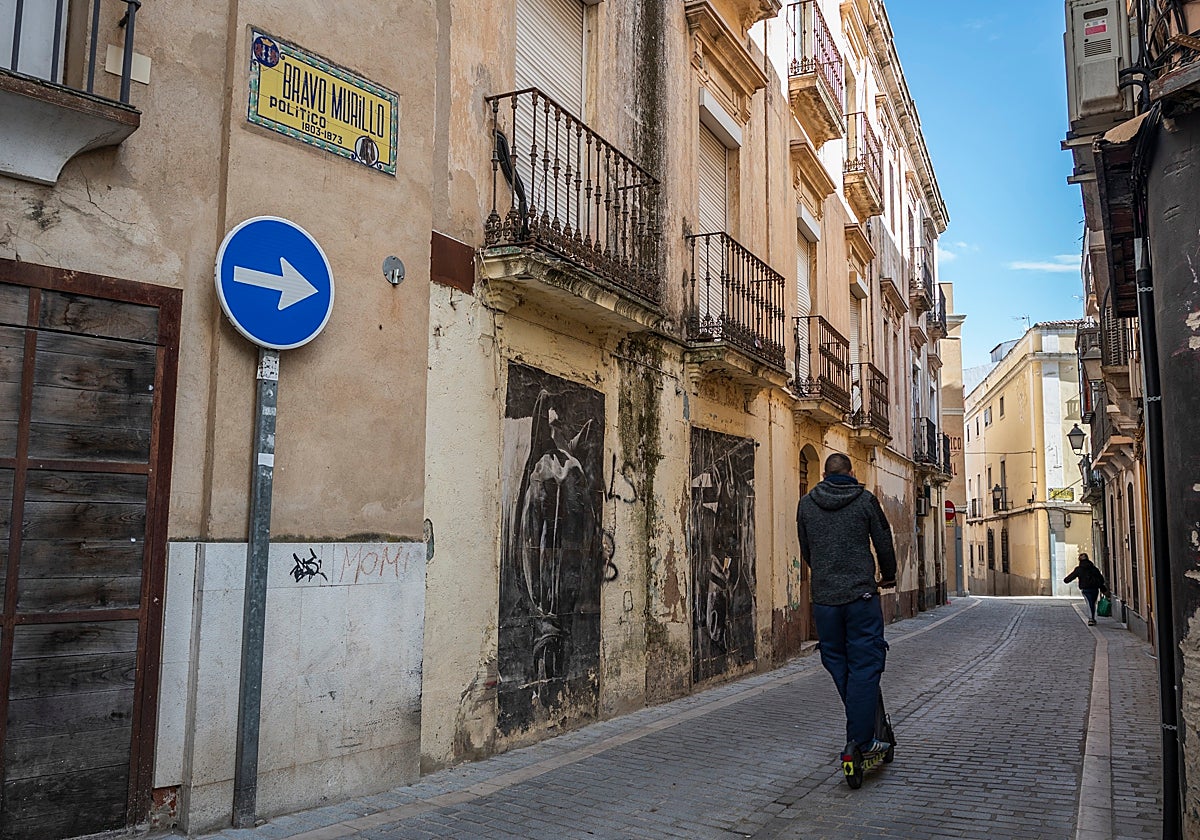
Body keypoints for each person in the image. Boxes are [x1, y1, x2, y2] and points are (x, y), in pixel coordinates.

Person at [796, 452, 897, 756]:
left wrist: (825, 575)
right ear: (852, 474)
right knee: (865, 665)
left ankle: (861, 726)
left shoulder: (806, 504)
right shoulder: (865, 500)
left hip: (825, 601)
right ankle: (862, 741)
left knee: (837, 661)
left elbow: (806, 549)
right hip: (860, 598)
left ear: (824, 476)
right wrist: (888, 575)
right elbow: (884, 541)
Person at [1064, 552, 1107, 625]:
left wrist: (1066, 580)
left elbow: (1071, 577)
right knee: (1093, 603)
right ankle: (1092, 618)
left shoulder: (1079, 569)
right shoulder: (1094, 568)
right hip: (1095, 589)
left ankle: (1091, 619)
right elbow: (1101, 579)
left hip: (1085, 589)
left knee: (1089, 603)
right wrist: (1103, 588)